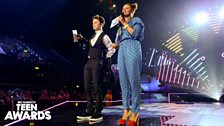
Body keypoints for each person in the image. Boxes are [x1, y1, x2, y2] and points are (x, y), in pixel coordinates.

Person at [76, 15, 116, 122]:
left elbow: (111, 49)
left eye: (96, 22)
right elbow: (90, 46)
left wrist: (104, 59)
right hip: (88, 63)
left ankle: (98, 110)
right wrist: (82, 39)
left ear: (101, 24)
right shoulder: (92, 36)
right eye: (93, 22)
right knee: (87, 87)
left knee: (97, 87)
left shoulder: (104, 36)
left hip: (97, 62)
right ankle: (89, 109)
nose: (93, 24)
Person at [112, 3, 144, 126]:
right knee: (123, 81)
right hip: (122, 49)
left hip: (133, 46)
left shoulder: (136, 20)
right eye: (123, 8)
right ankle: (126, 110)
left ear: (131, 10)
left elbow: (134, 34)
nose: (124, 10)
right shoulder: (120, 28)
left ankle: (135, 112)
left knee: (133, 80)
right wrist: (116, 45)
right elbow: (119, 40)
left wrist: (124, 23)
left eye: (127, 8)